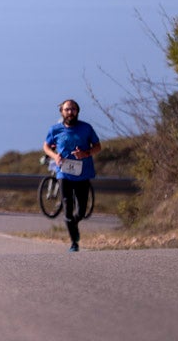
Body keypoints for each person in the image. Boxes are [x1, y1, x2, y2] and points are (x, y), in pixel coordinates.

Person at [43, 99, 101, 252]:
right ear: (62, 112)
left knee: (81, 211)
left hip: (83, 173)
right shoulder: (55, 129)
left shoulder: (86, 128)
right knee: (67, 206)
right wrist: (54, 156)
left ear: (78, 111)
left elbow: (98, 146)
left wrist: (86, 153)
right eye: (67, 109)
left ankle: (73, 224)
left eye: (73, 109)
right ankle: (74, 242)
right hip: (64, 174)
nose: (70, 112)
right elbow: (46, 146)